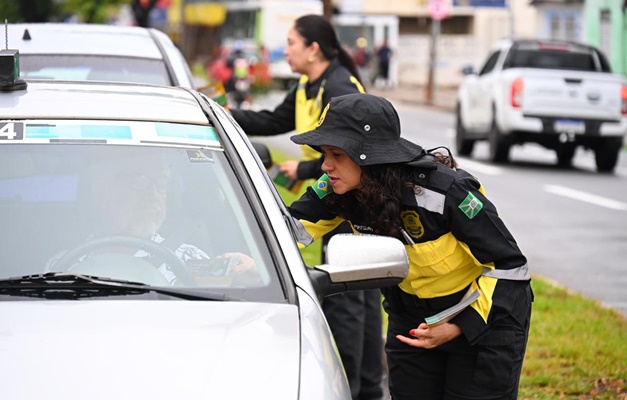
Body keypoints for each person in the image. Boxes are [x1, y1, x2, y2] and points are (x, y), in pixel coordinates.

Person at [287, 93, 533, 400]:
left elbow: (511, 266)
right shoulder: (339, 188)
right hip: (413, 321)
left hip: (482, 319)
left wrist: (458, 326)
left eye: (336, 155)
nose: (325, 166)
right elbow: (285, 230)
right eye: (324, 154)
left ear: (368, 156)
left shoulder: (446, 192)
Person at [230, 14, 384, 400]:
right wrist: (225, 116)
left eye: (292, 43)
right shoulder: (306, 86)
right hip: (333, 189)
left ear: (313, 48)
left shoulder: (339, 87)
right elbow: (274, 119)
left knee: (351, 299)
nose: (287, 50)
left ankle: (352, 386)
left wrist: (303, 167)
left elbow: (351, 154)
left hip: (350, 197)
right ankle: (367, 387)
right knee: (358, 295)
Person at [45, 149, 257, 286]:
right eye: (140, 183)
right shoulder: (66, 264)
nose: (153, 195)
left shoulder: (192, 259)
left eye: (162, 185)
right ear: (102, 191)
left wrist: (250, 278)